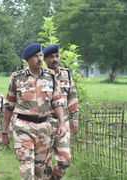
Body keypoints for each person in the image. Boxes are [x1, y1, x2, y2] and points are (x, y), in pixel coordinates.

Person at [2, 43, 66, 180]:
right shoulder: (17, 77)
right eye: (35, 56)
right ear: (28, 60)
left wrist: (62, 123)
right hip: (23, 127)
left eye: (40, 55)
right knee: (26, 170)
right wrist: (4, 130)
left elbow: (57, 101)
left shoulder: (51, 76)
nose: (39, 59)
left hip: (44, 128)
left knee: (39, 170)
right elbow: (9, 105)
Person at [43, 44, 79, 180]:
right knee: (44, 164)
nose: (55, 59)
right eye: (51, 57)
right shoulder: (40, 76)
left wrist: (75, 118)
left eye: (57, 56)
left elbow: (72, 97)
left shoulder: (66, 74)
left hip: (62, 123)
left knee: (65, 160)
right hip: (44, 122)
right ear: (45, 59)